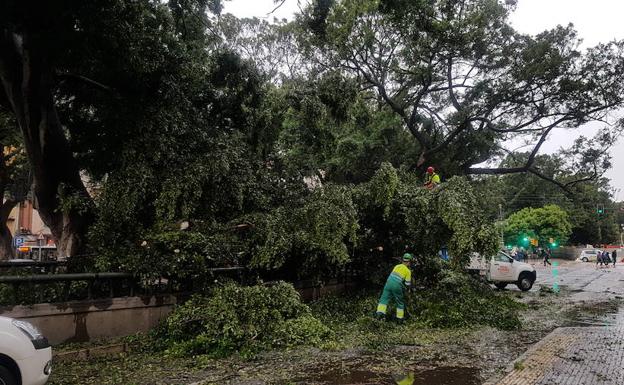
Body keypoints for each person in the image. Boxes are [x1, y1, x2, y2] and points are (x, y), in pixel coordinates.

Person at [376, 253, 413, 322]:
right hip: (396, 285)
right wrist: (407, 291)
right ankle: (399, 320)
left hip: (388, 283)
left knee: (383, 299)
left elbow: (394, 277)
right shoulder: (408, 271)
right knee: (400, 302)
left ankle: (379, 317)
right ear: (409, 261)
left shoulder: (397, 266)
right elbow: (407, 284)